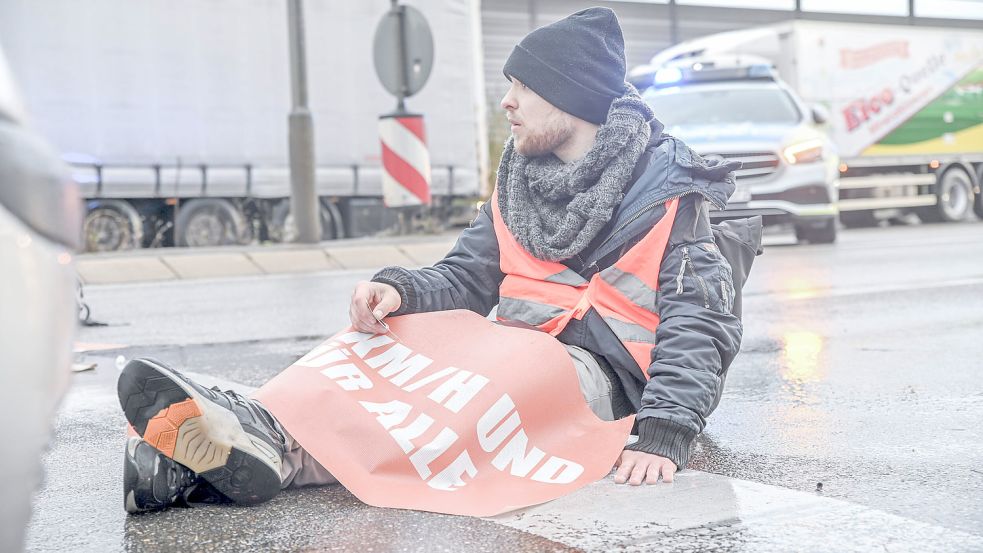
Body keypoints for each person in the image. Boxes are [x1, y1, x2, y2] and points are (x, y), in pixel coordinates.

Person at [117, 6, 758, 513]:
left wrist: (667, 432)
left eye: (522, 87)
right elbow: (466, 276)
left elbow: (700, 324)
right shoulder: (518, 184)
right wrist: (399, 292)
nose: (505, 101)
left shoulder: (673, 191)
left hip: (603, 382)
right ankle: (243, 439)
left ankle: (243, 454)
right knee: (381, 341)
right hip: (515, 348)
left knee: (456, 404)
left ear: (573, 100)